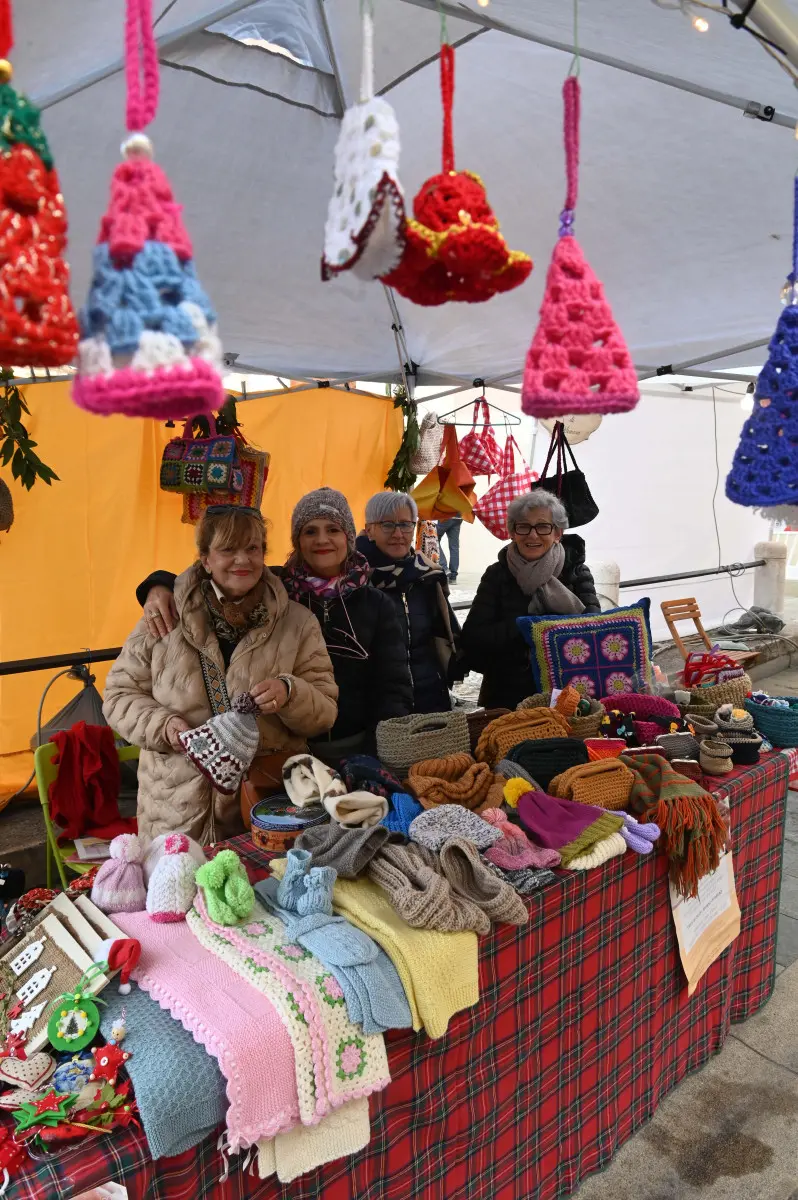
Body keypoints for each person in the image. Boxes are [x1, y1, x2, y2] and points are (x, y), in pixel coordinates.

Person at [104, 506, 338, 844]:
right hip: (174, 813)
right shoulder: (163, 617)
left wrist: (290, 693)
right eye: (228, 549)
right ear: (205, 558)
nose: (242, 560)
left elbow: (325, 712)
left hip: (264, 813)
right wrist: (164, 725)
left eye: (253, 548)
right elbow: (118, 696)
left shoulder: (297, 623)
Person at [462, 489, 600, 710]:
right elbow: (474, 638)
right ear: (512, 532)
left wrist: (547, 630)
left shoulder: (576, 572)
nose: (532, 535)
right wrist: (526, 626)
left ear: (558, 533)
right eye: (523, 526)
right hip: (506, 696)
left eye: (543, 526)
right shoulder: (497, 575)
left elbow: (594, 631)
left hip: (568, 696)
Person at [357, 491, 463, 713]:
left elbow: (444, 636)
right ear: (369, 530)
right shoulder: (355, 582)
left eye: (405, 525)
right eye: (387, 525)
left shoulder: (427, 576)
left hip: (432, 699)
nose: (398, 533)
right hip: (377, 708)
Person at [436, 515, 462, 584]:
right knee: (454, 547)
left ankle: (444, 569)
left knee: (433, 539)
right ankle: (453, 577)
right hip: (458, 517)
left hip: (445, 514)